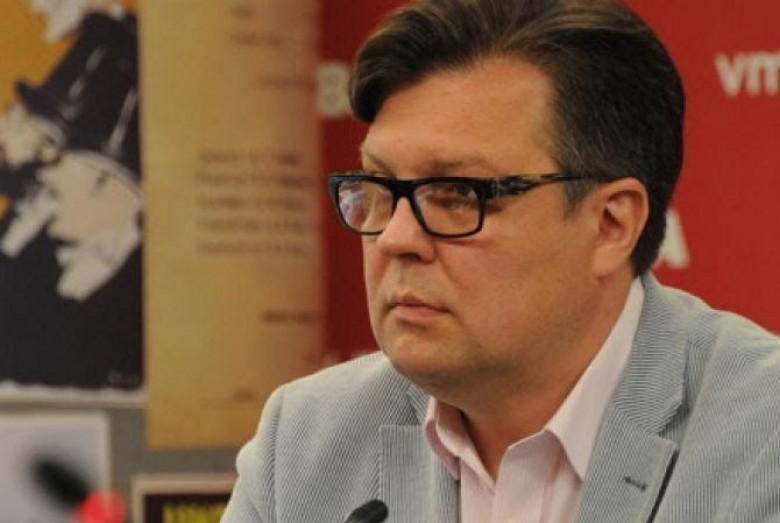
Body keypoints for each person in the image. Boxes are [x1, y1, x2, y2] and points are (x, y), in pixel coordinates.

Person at [222, 0, 780, 521]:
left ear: (611, 225)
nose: (395, 237)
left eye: (457, 195)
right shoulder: (305, 443)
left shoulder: (763, 437)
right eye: (380, 186)